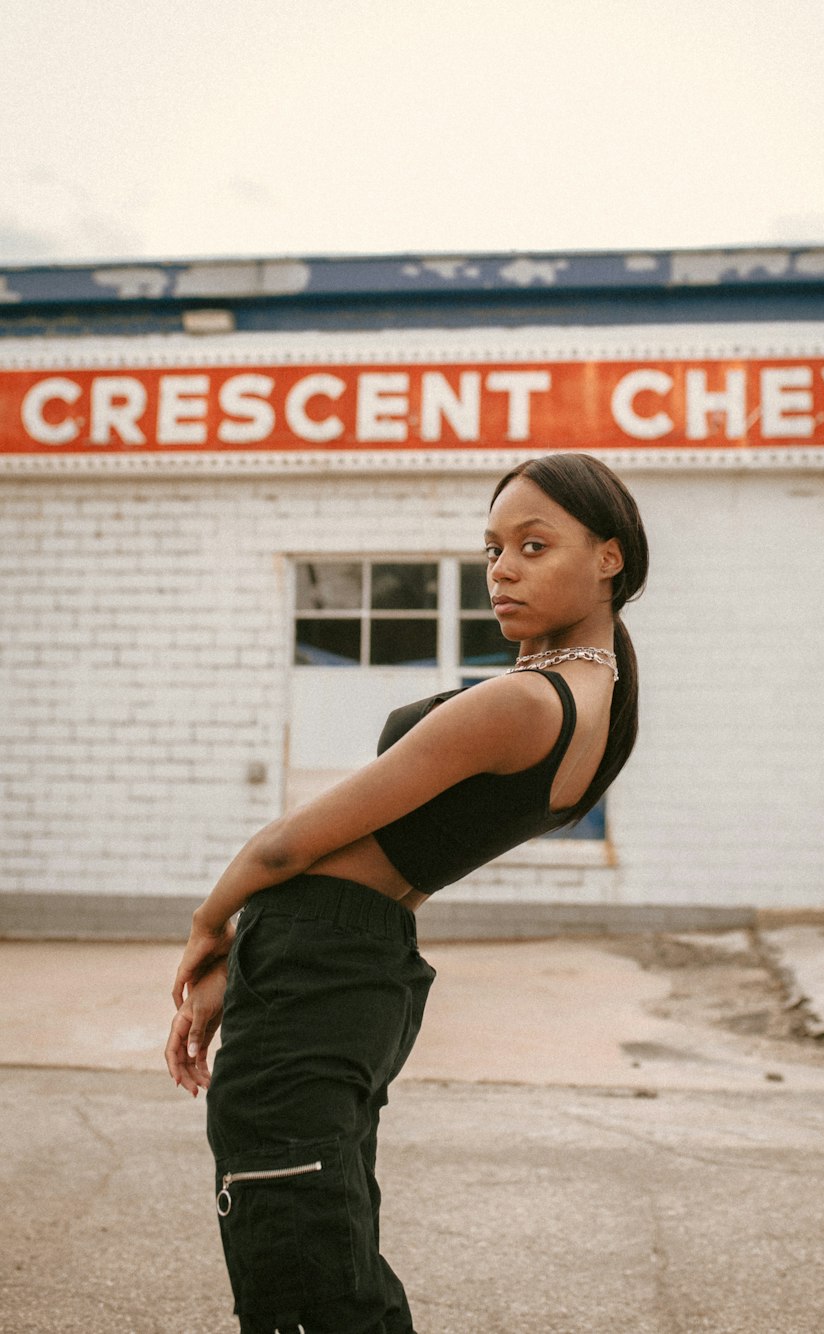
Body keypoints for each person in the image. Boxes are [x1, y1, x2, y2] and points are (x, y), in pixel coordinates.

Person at [165, 451, 649, 1333]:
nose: (501, 568)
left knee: (300, 1259)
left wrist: (207, 924)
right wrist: (243, 958)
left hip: (318, 962)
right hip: (345, 960)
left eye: (534, 545)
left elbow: (284, 847)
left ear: (609, 557)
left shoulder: (524, 702)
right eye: (493, 547)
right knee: (320, 1238)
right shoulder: (597, 703)